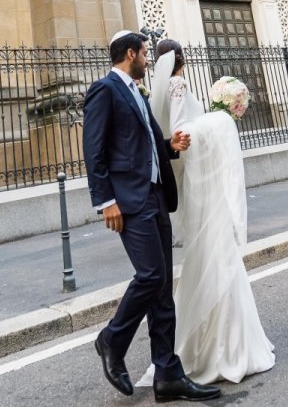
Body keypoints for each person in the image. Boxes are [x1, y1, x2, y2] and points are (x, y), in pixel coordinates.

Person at [82, 30, 221, 402]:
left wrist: (169, 147)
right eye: (145, 53)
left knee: (162, 291)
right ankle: (111, 340)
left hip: (156, 197)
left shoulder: (137, 92)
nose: (149, 59)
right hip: (129, 201)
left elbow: (139, 144)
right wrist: (105, 201)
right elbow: (94, 152)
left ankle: (168, 374)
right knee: (150, 276)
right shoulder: (105, 90)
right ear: (131, 54)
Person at [141, 38, 276, 386]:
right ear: (182, 60)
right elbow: (183, 132)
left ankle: (200, 345)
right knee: (220, 262)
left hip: (192, 179)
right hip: (207, 175)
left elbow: (173, 136)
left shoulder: (162, 89)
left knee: (201, 265)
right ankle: (226, 348)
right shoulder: (179, 84)